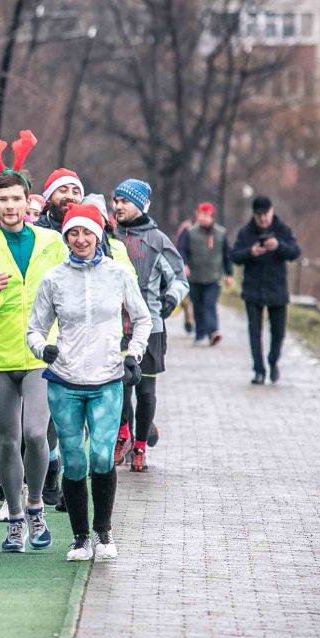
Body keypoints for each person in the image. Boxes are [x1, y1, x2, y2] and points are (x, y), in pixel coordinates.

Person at [0, 129, 67, 553]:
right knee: (6, 439)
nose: (9, 206)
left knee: (36, 434)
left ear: (28, 202)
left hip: (41, 353)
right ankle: (16, 519)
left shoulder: (52, 243)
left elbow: (70, 289)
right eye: (1, 200)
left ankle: (36, 505)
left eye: (16, 199)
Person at [28, 203, 152, 561]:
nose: (80, 239)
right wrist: (43, 349)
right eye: (74, 233)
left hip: (107, 378)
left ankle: (103, 531)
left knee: (100, 455)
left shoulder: (118, 274)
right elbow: (34, 329)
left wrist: (133, 354)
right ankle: (80, 538)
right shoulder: (53, 279)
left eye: (87, 232)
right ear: (66, 237)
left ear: (98, 235)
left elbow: (142, 319)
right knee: (73, 461)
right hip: (64, 380)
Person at [112, 179, 189, 473]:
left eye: (125, 201)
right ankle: (123, 436)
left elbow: (180, 279)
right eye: (116, 200)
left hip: (150, 326)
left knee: (144, 390)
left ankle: (141, 446)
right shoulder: (109, 236)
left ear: (141, 205)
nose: (118, 206)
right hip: (115, 326)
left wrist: (171, 300)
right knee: (119, 385)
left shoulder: (158, 240)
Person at [230, 196, 301, 384]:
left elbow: (295, 252)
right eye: (259, 215)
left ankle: (273, 360)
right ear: (254, 214)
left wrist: (279, 246)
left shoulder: (282, 230)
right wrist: (250, 252)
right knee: (254, 333)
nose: (262, 218)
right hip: (253, 290)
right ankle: (259, 370)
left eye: (265, 214)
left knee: (278, 332)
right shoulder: (246, 232)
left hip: (277, 290)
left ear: (272, 211)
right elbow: (234, 256)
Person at [178, 202, 234, 346]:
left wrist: (229, 274)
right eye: (201, 215)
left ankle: (213, 332)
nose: (203, 218)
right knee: (198, 305)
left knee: (209, 304)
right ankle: (200, 333)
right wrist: (184, 264)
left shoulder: (221, 233)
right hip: (195, 277)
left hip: (213, 277)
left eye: (206, 215)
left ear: (212, 216)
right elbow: (182, 249)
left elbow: (227, 254)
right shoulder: (189, 232)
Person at [33, 168, 85, 232]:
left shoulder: (89, 229)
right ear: (49, 197)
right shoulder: (36, 229)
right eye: (63, 191)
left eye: (75, 192)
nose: (70, 196)